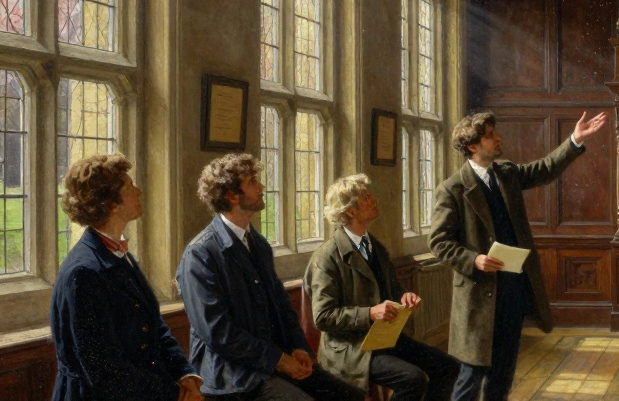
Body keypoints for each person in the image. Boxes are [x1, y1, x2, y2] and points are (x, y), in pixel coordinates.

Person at [429, 109, 608, 401]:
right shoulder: (452, 189)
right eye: (490, 135)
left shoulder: (507, 173)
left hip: (512, 290)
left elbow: (545, 168)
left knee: (503, 373)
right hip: (477, 297)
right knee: (470, 376)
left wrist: (575, 139)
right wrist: (474, 260)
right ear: (472, 145)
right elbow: (438, 242)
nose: (498, 138)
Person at [177, 152, 363, 401]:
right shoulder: (201, 254)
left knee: (351, 397)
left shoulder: (258, 244)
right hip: (231, 377)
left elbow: (282, 306)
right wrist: (277, 360)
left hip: (271, 362)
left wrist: (297, 347)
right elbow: (218, 332)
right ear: (232, 196)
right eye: (252, 182)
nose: (261, 187)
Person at [50, 154, 202, 401]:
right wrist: (175, 394)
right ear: (112, 204)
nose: (139, 192)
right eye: (130, 188)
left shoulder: (119, 253)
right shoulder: (84, 272)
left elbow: (155, 326)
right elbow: (105, 371)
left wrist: (183, 372)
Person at [305, 174, 461, 400]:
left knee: (449, 367)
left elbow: (393, 290)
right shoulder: (326, 257)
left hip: (382, 338)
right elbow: (323, 317)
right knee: (412, 379)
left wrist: (404, 296)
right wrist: (370, 313)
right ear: (350, 211)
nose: (373, 199)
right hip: (350, 349)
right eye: (366, 197)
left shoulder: (374, 246)